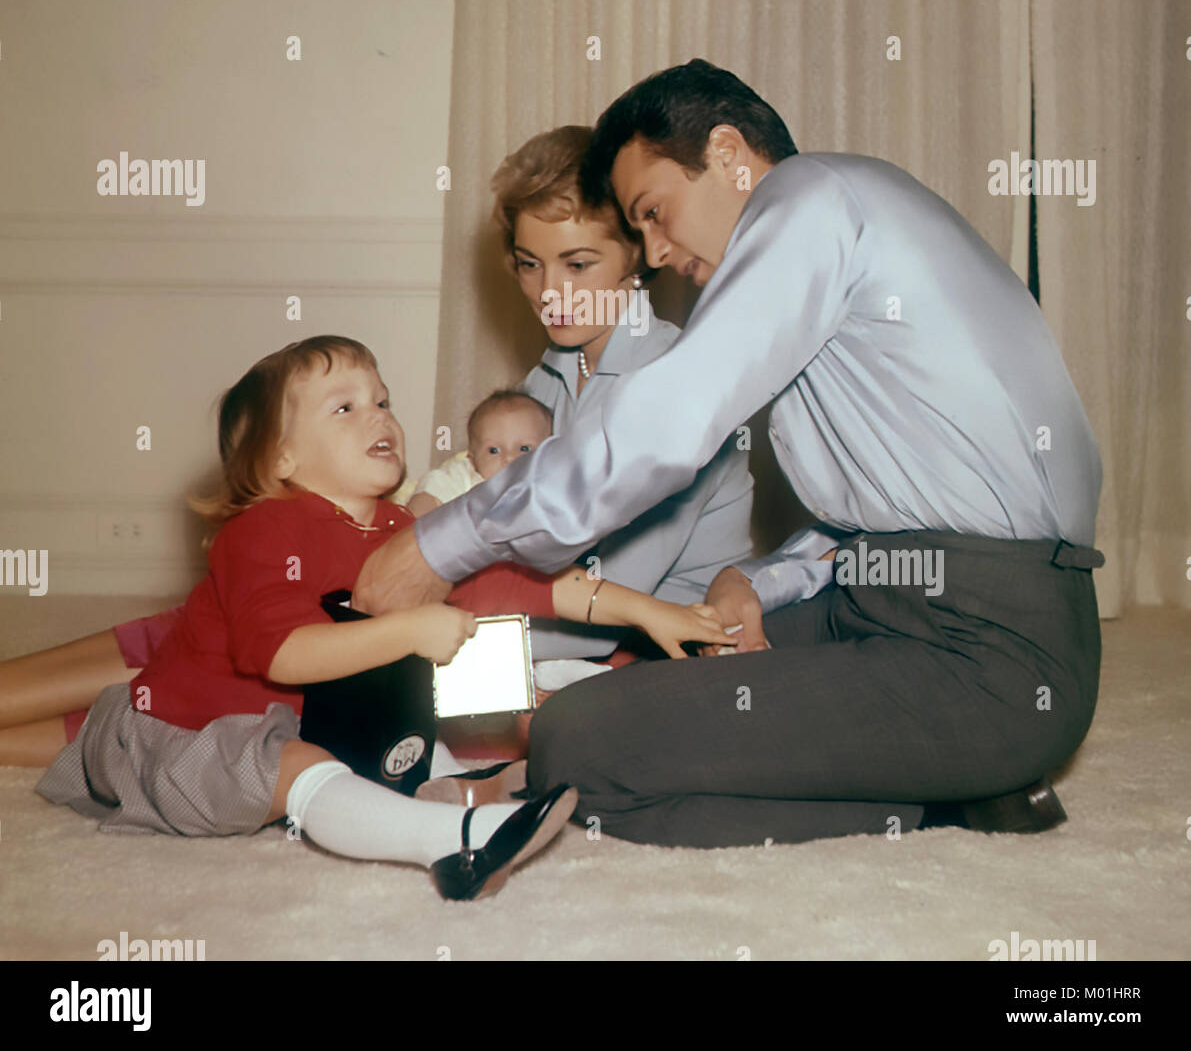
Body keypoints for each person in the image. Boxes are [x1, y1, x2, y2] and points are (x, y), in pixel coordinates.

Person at [354, 58, 1105, 849]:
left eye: (654, 211)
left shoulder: (811, 198)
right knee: (669, 681)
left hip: (991, 653)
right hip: (893, 606)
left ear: (724, 152)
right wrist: (753, 580)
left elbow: (666, 425)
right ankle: (951, 780)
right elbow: (892, 511)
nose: (653, 250)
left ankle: (939, 798)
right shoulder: (841, 246)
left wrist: (444, 540)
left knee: (573, 739)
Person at [0, 124, 771, 753]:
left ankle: (156, 708)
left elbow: (569, 594)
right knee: (223, 611)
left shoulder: (673, 384)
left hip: (602, 649)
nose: (549, 292)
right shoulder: (542, 385)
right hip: (512, 613)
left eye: (578, 262)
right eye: (529, 265)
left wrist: (383, 609)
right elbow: (472, 517)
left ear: (636, 255)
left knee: (261, 648)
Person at [31, 335, 735, 897]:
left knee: (403, 736)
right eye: (345, 408)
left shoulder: (402, 528)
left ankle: (478, 792)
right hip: (190, 736)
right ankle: (448, 843)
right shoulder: (265, 530)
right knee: (298, 759)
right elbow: (278, 658)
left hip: (311, 721)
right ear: (279, 456)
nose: (380, 418)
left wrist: (647, 612)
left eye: (383, 400)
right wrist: (406, 629)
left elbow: (524, 585)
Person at [405, 390, 554, 518]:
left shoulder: (552, 485)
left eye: (524, 448)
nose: (509, 458)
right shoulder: (465, 477)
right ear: (472, 459)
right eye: (493, 450)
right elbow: (427, 499)